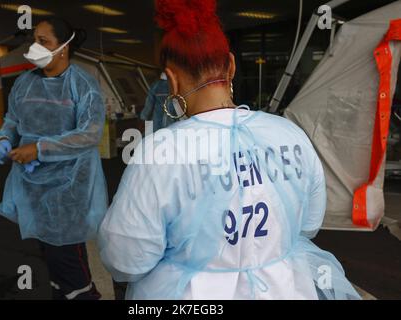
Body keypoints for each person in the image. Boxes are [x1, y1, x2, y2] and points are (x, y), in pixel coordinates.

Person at [97, 0, 361, 300]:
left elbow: (126, 258)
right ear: (231, 66)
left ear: (171, 80)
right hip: (288, 290)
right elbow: (309, 225)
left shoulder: (160, 152)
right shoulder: (289, 134)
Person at [0, 18, 108, 300]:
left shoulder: (82, 85)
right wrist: (4, 137)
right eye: (35, 40)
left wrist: (39, 148)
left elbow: (89, 134)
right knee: (50, 258)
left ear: (64, 47)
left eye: (44, 41)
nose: (35, 47)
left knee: (69, 259)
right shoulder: (24, 82)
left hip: (69, 188)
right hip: (32, 184)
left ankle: (84, 295)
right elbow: (12, 119)